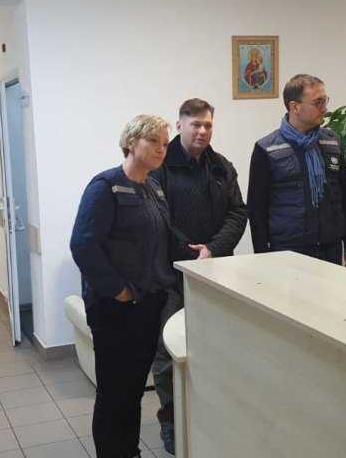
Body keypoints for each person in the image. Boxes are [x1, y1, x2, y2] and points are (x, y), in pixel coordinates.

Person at [70, 115, 176, 458]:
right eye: (153, 141)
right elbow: (83, 245)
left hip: (148, 304)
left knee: (132, 391)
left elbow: (162, 238)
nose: (161, 149)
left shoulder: (153, 188)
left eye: (165, 143)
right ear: (131, 142)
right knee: (114, 393)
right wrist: (120, 291)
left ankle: (128, 451)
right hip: (115, 308)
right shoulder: (106, 187)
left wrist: (196, 251)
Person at [149, 98, 246, 454]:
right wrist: (192, 253)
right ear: (179, 125)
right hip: (170, 275)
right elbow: (158, 217)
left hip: (215, 272)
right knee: (168, 352)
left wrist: (212, 249)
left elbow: (238, 213)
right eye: (195, 125)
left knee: (215, 347)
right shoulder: (160, 166)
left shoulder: (221, 167)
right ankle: (171, 422)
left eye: (208, 125)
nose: (202, 131)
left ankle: (209, 417)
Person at [247, 74, 346, 266]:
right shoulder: (266, 148)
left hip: (330, 248)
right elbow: (257, 209)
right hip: (288, 251)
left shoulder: (332, 142)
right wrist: (262, 257)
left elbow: (345, 197)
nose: (324, 108)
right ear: (295, 107)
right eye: (318, 102)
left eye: (325, 101)